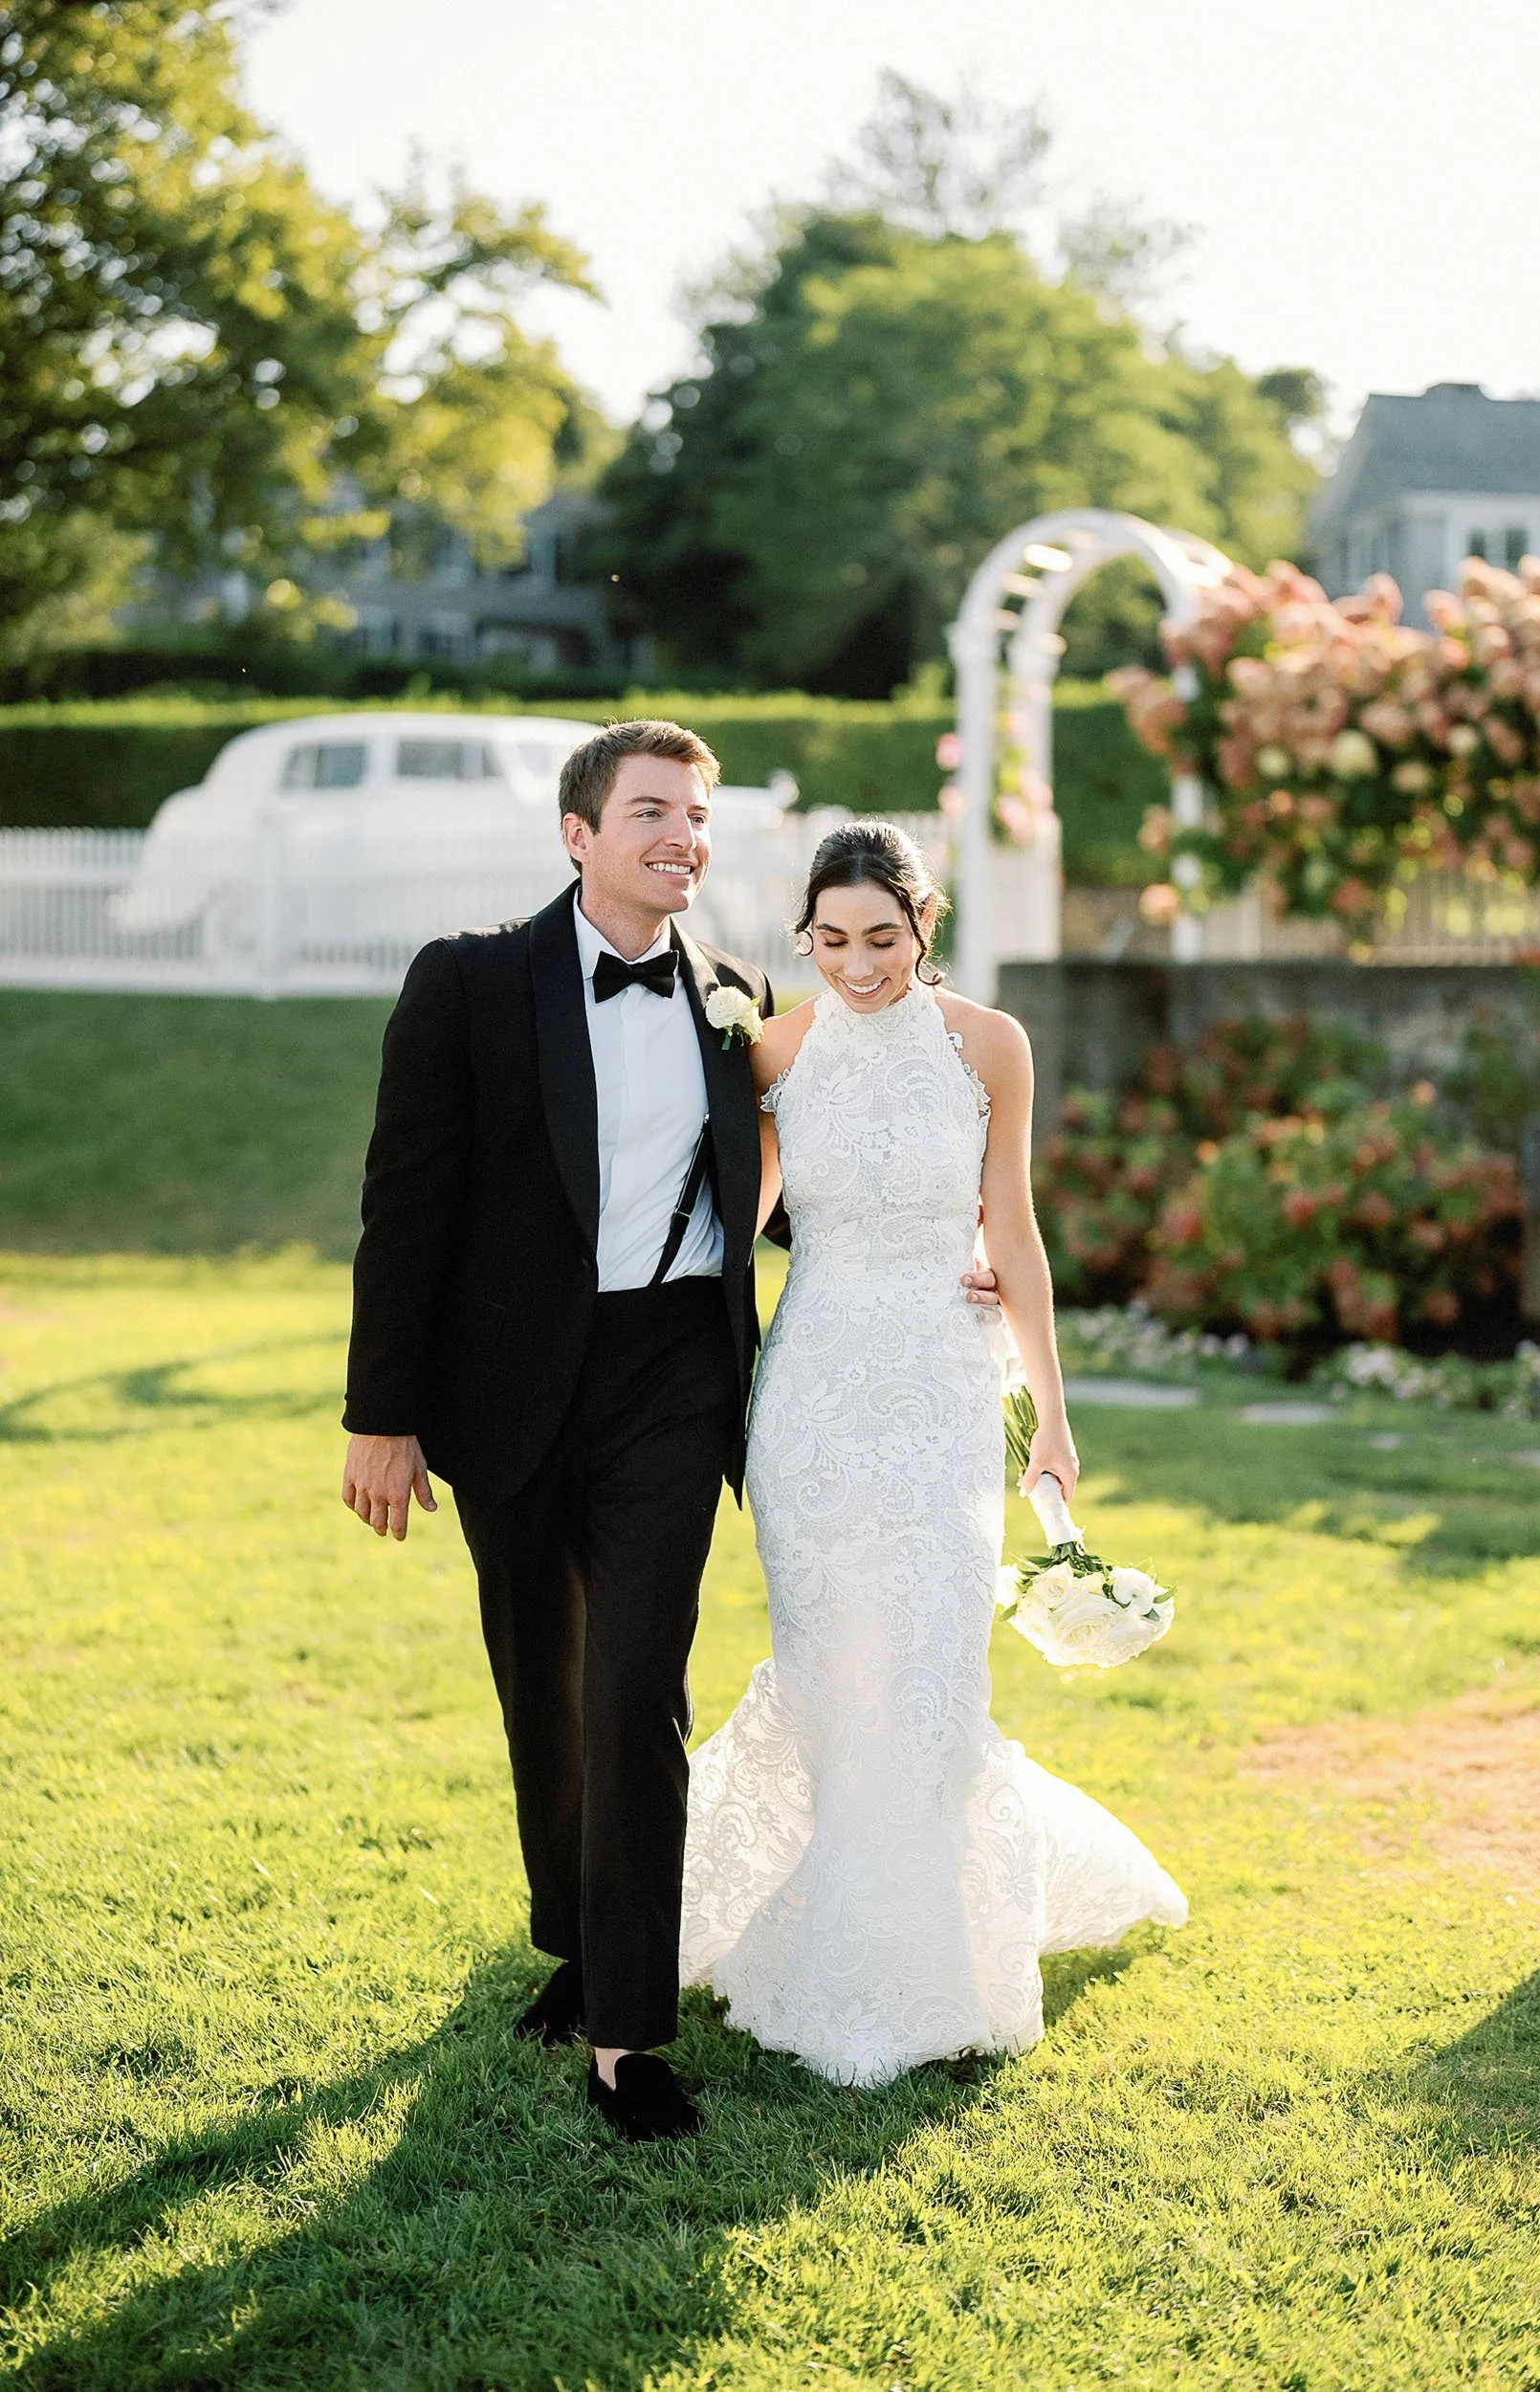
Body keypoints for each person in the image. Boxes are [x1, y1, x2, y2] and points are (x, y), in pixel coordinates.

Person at [340, 724, 1001, 2143]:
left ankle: (627, 2035)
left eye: (695, 818)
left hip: (668, 1380)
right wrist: (381, 1416)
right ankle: (575, 1942)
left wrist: (959, 1258)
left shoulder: (741, 997)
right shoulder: (466, 979)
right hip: (509, 1385)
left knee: (637, 1682)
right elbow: (406, 1203)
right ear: (577, 835)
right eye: (651, 813)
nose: (681, 837)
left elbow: (804, 1176)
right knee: (546, 1684)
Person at [680, 821, 1187, 2087]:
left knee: (925, 1666)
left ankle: (932, 1962)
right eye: (831, 940)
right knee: (831, 1664)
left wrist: (1053, 1421)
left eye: (883, 939)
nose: (857, 964)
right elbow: (732, 1232)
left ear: (925, 927)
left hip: (942, 1395)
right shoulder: (771, 1054)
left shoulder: (990, 1045)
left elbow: (1008, 1228)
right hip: (810, 1399)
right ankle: (825, 1937)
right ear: (804, 935)